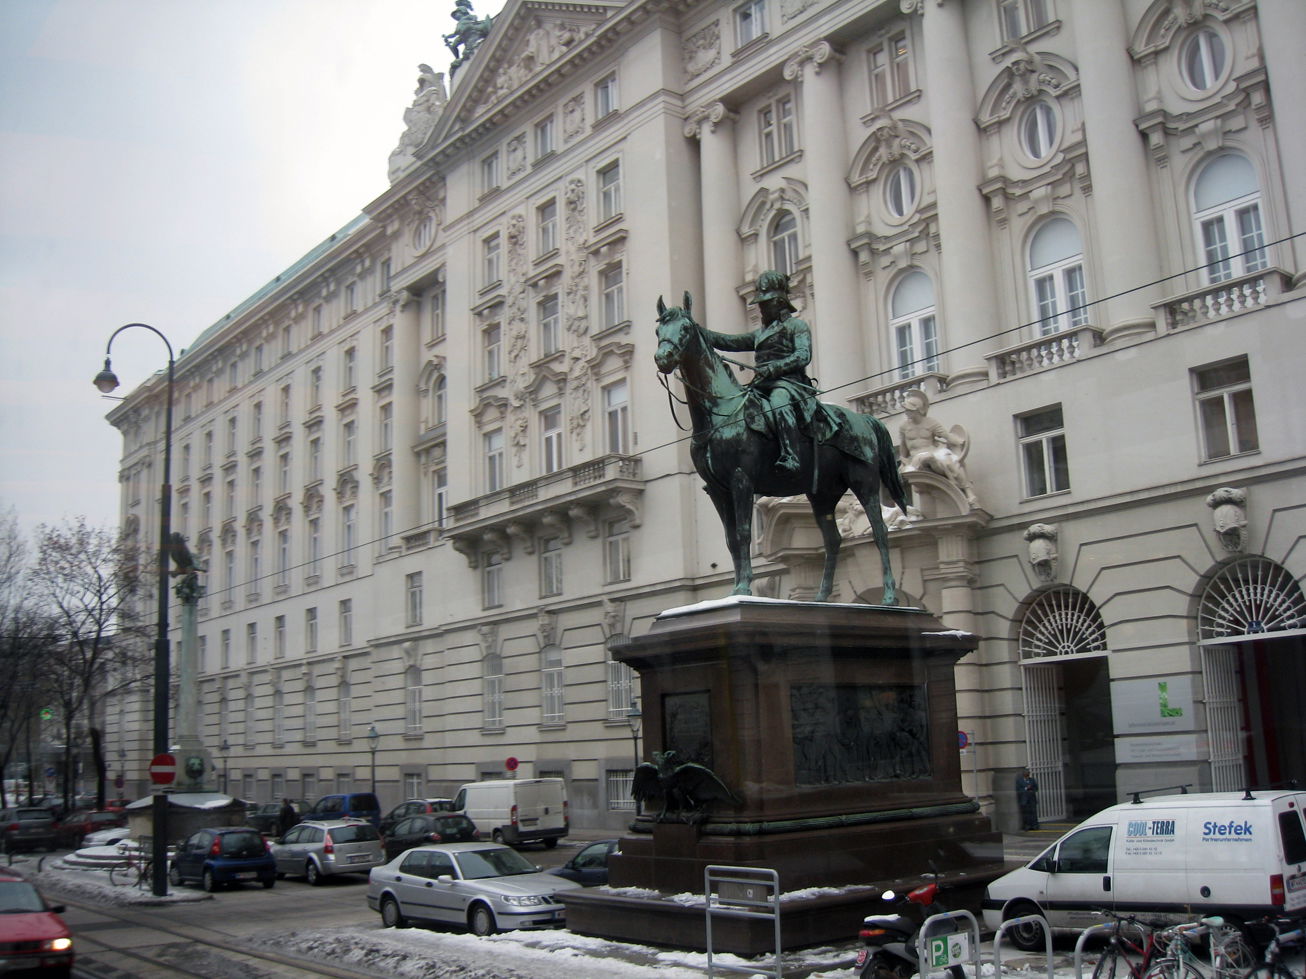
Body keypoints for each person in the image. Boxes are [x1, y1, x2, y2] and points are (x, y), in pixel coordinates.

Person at [703, 270, 817, 474]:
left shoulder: (796, 326)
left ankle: (792, 455)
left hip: (789, 384)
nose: (760, 307)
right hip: (761, 386)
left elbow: (803, 355)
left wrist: (774, 367)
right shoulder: (760, 334)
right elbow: (730, 342)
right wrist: (700, 333)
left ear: (780, 302)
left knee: (779, 402)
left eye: (765, 302)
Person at [898, 389, 980, 507]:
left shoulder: (931, 423)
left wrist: (959, 441)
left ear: (917, 410)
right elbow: (903, 445)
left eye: (908, 409)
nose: (906, 412)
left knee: (950, 461)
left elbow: (946, 436)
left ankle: (968, 491)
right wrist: (903, 460)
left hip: (934, 451)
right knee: (923, 460)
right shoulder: (903, 426)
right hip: (915, 457)